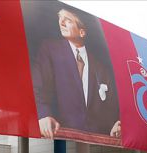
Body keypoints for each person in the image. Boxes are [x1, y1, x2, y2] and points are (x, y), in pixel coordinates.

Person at [32, 8, 121, 139]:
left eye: (67, 20)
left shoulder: (101, 67)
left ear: (82, 32)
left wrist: (115, 123)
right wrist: (43, 115)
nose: (61, 23)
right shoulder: (50, 50)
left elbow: (112, 104)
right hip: (59, 134)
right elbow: (37, 86)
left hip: (96, 140)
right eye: (60, 18)